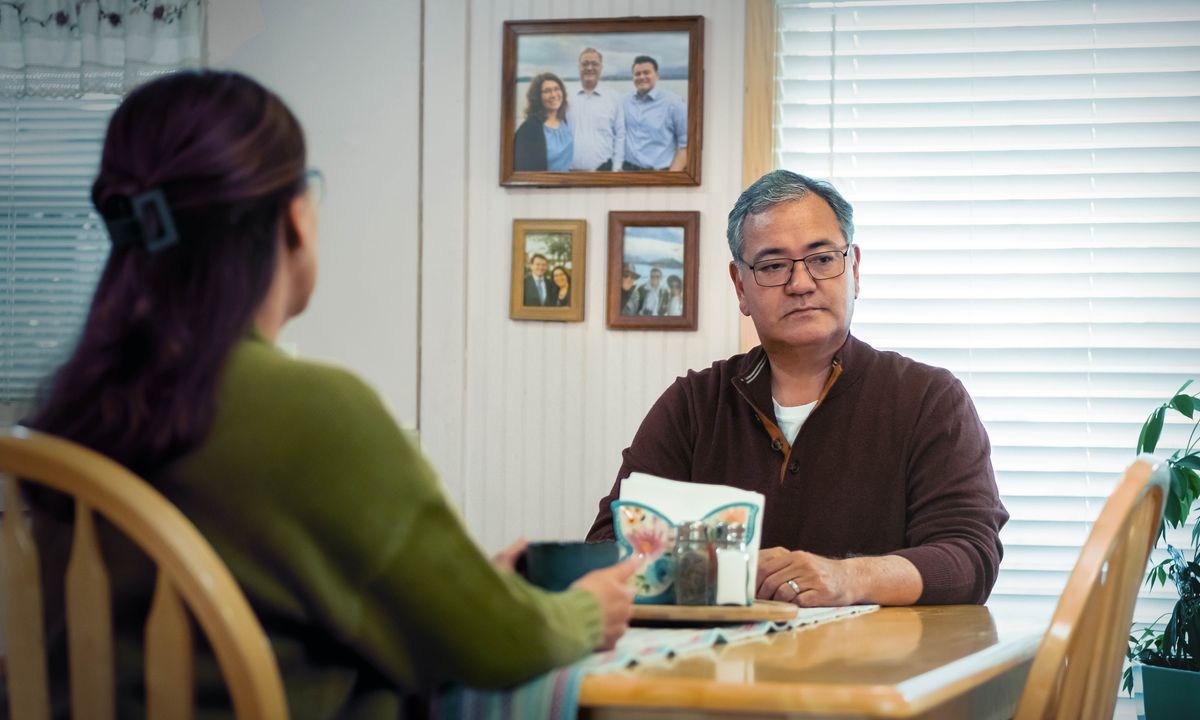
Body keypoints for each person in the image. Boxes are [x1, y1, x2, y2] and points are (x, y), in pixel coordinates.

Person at [26, 70, 637, 718]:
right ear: (293, 217)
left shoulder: (69, 411)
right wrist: (584, 611)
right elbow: (497, 647)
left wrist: (453, 583)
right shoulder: (313, 411)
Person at [586, 169, 1008, 608]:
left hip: (875, 670)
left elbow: (969, 558)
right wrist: (736, 571)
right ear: (740, 287)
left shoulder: (929, 398)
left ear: (855, 270)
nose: (801, 283)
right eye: (772, 266)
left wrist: (846, 578)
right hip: (719, 670)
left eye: (823, 259)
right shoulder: (694, 405)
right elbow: (607, 545)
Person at [621, 55, 687, 171]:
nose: (642, 77)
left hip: (659, 174)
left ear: (657, 75)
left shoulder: (674, 103)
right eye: (637, 74)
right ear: (633, 77)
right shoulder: (623, 101)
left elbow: (686, 145)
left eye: (646, 72)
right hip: (627, 171)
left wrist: (671, 179)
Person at [566, 48, 624, 171]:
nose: (589, 68)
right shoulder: (565, 96)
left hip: (604, 171)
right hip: (570, 173)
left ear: (601, 68)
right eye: (585, 64)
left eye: (594, 64)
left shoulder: (614, 97)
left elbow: (620, 135)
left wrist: (616, 168)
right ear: (578, 67)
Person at [513, 72, 572, 171]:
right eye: (547, 91)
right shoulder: (528, 130)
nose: (553, 95)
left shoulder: (564, 121)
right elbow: (522, 170)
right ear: (537, 97)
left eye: (556, 89)